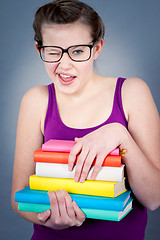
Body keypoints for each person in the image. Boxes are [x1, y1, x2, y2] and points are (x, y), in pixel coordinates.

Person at [11, 0, 160, 239]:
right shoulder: (35, 100)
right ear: (39, 50)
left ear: (97, 47)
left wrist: (120, 135)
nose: (65, 65)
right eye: (53, 52)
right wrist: (51, 222)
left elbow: (153, 199)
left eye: (78, 51)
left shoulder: (132, 92)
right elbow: (18, 197)